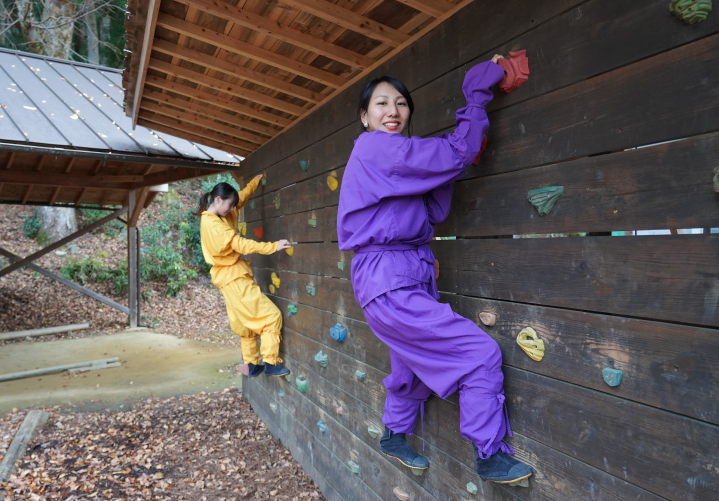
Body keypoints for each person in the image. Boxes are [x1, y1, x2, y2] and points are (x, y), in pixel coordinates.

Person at [336, 55, 534, 484]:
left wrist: (464, 150)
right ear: (364, 117)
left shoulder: (393, 162)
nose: (393, 111)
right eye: (382, 104)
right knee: (480, 354)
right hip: (390, 279)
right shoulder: (376, 148)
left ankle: (393, 433)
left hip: (402, 277)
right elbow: (453, 153)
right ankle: (490, 455)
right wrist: (478, 89)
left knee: (410, 366)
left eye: (402, 104)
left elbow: (438, 190)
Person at [198, 175, 292, 378]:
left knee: (244, 324)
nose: (233, 209)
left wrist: (255, 182)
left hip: (228, 277)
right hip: (233, 277)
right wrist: (273, 246)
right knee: (270, 317)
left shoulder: (222, 213)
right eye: (229, 205)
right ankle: (270, 362)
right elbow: (241, 244)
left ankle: (251, 365)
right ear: (218, 200)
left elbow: (241, 197)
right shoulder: (214, 226)